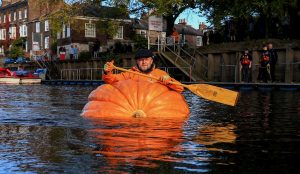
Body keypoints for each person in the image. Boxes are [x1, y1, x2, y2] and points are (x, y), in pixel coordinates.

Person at [103, 49, 184, 93]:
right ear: (137, 62)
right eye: (141, 60)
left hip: (154, 109)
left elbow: (180, 88)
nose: (144, 62)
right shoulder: (130, 73)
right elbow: (111, 80)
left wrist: (169, 81)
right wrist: (107, 72)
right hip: (133, 107)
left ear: (151, 61)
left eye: (147, 60)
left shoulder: (161, 73)